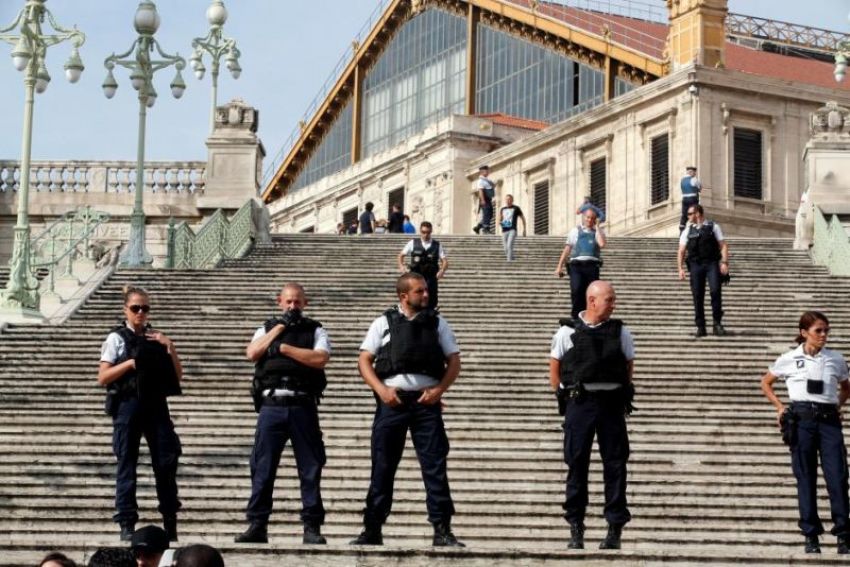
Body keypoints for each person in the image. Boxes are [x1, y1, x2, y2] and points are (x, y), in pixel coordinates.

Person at [350, 273, 464, 547]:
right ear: (403, 296)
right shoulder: (383, 323)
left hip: (426, 403)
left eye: (425, 290)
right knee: (383, 466)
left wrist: (439, 391)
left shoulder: (437, 323)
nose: (426, 295)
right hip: (393, 402)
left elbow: (454, 361)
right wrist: (381, 390)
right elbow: (365, 360)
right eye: (419, 291)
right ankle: (372, 529)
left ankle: (442, 529)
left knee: (434, 466)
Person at [235, 283, 330, 545]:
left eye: (298, 302)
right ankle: (257, 524)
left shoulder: (315, 329)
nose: (293, 307)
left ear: (305, 303)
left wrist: (284, 348)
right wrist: (278, 330)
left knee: (310, 468)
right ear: (280, 302)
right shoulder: (266, 329)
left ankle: (312, 527)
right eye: (288, 302)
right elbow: (252, 353)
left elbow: (320, 359)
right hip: (272, 406)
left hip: (302, 406)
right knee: (262, 467)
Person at [549, 280, 634, 550]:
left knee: (616, 465)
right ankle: (576, 526)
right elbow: (555, 367)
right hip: (580, 403)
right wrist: (565, 396)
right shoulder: (566, 331)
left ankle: (614, 528)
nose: (613, 304)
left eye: (613, 299)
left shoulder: (621, 332)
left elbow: (628, 365)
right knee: (576, 464)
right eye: (609, 299)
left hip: (610, 404)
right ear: (592, 300)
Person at [98, 285, 183, 542]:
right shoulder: (116, 338)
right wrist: (131, 363)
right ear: (126, 309)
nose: (141, 313)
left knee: (166, 464)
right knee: (127, 464)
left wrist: (170, 347)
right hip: (128, 405)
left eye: (145, 308)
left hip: (156, 405)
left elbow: (177, 376)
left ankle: (170, 520)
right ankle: (126, 521)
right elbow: (103, 377)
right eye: (136, 308)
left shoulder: (155, 338)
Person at [761, 311, 850, 555]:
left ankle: (843, 534)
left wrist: (838, 406)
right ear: (804, 333)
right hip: (802, 420)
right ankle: (811, 535)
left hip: (829, 421)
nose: (824, 335)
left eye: (826, 331)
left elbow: (846, 387)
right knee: (806, 478)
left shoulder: (835, 358)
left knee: (838, 477)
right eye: (818, 331)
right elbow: (766, 382)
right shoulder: (789, 358)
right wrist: (780, 408)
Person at [677, 204, 729, 337]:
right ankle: (701, 326)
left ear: (698, 213)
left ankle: (717, 324)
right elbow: (681, 250)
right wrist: (680, 268)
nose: (687, 217)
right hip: (695, 265)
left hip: (711, 263)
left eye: (690, 214)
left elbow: (723, 245)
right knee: (697, 295)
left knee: (715, 291)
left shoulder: (713, 227)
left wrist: (724, 263)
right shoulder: (687, 230)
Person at [555, 209, 606, 319]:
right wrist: (559, 266)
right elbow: (567, 248)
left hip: (592, 266)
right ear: (583, 217)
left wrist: (597, 227)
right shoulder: (575, 231)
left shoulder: (598, 232)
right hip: (576, 266)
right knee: (577, 290)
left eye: (592, 218)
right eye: (588, 217)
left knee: (591, 293)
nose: (590, 220)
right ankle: (576, 317)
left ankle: (589, 316)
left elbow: (601, 244)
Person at [397, 221, 447, 310]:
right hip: (416, 277)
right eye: (423, 232)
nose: (425, 235)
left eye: (428, 232)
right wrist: (401, 266)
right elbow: (401, 255)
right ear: (420, 231)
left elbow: (445, 261)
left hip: (431, 277)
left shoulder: (437, 245)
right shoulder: (412, 243)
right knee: (415, 297)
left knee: (431, 299)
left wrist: (442, 270)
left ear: (431, 231)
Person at [499, 194, 526, 262]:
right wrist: (500, 222)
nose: (508, 201)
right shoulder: (502, 209)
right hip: (504, 230)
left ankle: (509, 261)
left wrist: (524, 229)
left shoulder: (516, 208)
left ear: (512, 200)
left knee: (509, 245)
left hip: (512, 229)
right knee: (505, 248)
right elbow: (500, 218)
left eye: (509, 199)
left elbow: (522, 218)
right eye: (507, 199)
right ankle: (512, 258)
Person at [472, 165, 495, 234]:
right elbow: (480, 191)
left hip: (489, 199)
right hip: (485, 199)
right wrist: (482, 200)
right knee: (486, 214)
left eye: (488, 170)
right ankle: (486, 228)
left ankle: (478, 227)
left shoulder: (487, 180)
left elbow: (493, 186)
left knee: (490, 214)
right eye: (486, 171)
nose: (488, 172)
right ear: (482, 172)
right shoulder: (480, 181)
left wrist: (490, 182)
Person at [678, 166, 701, 232]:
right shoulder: (694, 179)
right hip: (693, 199)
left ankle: (681, 229)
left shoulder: (682, 180)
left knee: (684, 214)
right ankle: (695, 229)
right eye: (694, 172)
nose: (695, 174)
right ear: (691, 172)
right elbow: (700, 188)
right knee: (695, 213)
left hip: (684, 199)